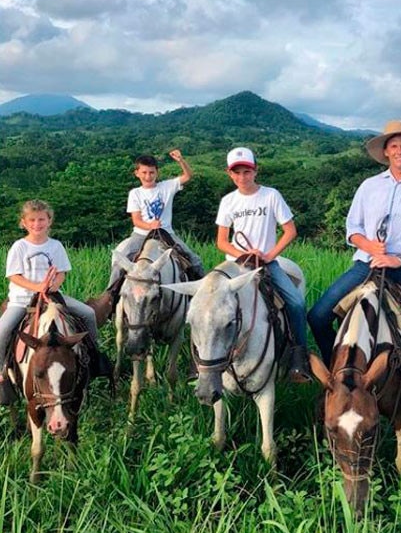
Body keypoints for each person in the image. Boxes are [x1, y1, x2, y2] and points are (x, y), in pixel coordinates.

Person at [307, 120, 401, 437]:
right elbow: (352, 229)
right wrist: (369, 245)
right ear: (385, 152)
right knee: (317, 316)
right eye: (393, 146)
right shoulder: (369, 186)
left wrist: (399, 257)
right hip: (367, 264)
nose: (399, 151)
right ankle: (341, 380)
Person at [215, 146, 311, 383]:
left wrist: (269, 255)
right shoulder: (228, 201)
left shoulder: (271, 195)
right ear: (229, 174)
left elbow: (290, 231)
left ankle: (299, 357)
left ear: (255, 170)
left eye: (246, 171)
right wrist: (243, 254)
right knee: (207, 302)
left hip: (267, 263)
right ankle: (200, 363)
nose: (241, 177)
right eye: (236, 173)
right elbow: (221, 242)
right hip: (236, 265)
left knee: (297, 303)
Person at [0, 200, 106, 395]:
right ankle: (2, 371)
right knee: (2, 329)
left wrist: (54, 284)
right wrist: (37, 287)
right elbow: (14, 276)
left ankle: (93, 357)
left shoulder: (55, 246)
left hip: (52, 296)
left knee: (88, 313)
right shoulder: (19, 247)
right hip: (22, 299)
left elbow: (62, 272)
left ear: (49, 221)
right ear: (24, 222)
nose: (36, 224)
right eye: (32, 220)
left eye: (41, 219)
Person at [107, 149, 204, 287]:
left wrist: (181, 160)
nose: (148, 176)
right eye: (144, 172)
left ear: (157, 172)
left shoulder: (167, 187)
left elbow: (188, 176)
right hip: (141, 234)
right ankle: (110, 296)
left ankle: (202, 293)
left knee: (195, 261)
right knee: (119, 260)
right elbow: (137, 220)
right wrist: (150, 226)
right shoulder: (135, 193)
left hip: (165, 233)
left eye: (151, 172)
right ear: (137, 173)